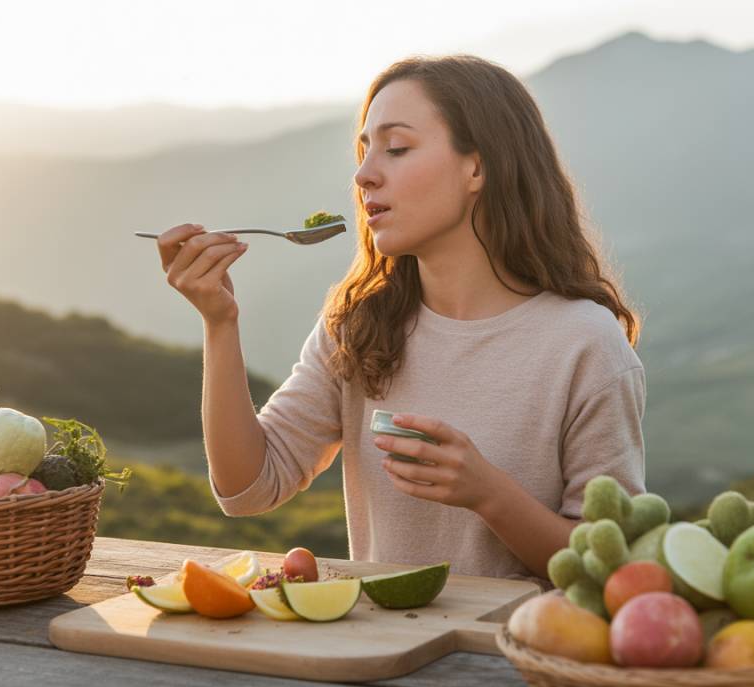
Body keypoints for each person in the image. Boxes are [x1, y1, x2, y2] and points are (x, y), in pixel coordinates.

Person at [155, 55, 645, 584]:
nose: (363, 175)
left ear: (477, 168)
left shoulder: (584, 343)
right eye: (364, 151)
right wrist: (220, 324)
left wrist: (489, 494)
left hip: (520, 639)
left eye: (397, 148)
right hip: (384, 636)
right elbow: (247, 488)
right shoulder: (358, 325)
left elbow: (608, 567)